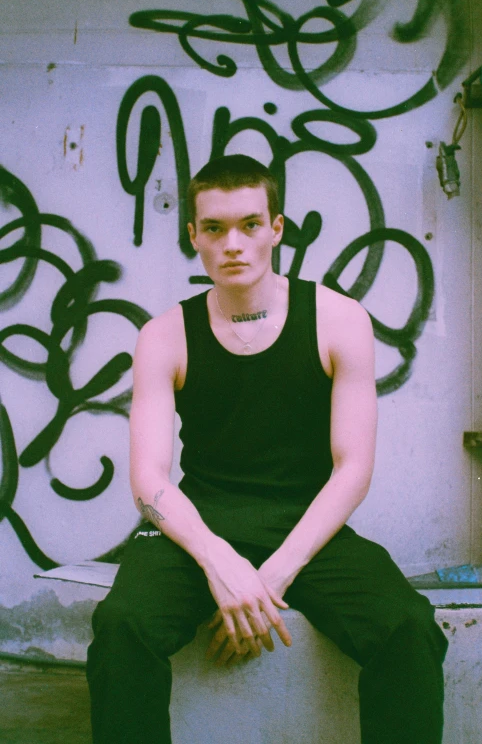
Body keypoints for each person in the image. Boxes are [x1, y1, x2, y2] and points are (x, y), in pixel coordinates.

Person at [86, 154, 448, 744]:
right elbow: (148, 479)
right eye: (215, 228)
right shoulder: (163, 335)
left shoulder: (338, 320)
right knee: (122, 625)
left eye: (250, 225)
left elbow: (352, 469)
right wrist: (218, 561)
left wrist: (268, 580)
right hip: (199, 521)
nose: (234, 243)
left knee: (408, 628)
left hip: (307, 525)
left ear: (277, 228)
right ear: (193, 237)